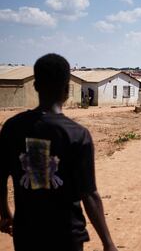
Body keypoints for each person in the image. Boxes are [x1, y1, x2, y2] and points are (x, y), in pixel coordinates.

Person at [0, 54, 118, 251]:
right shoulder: (77, 134)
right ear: (66, 90)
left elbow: (0, 177)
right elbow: (89, 193)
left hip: (26, 234)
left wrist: (5, 213)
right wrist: (108, 243)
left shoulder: (12, 128)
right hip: (67, 236)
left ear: (36, 86)